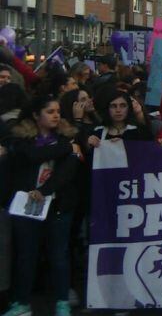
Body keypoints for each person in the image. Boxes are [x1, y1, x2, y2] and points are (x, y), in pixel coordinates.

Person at [6, 95, 83, 316]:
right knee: (26, 256)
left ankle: (62, 301)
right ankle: (21, 302)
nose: (56, 115)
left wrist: (45, 190)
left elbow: (67, 173)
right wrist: (66, 149)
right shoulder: (23, 139)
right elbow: (29, 157)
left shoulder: (67, 137)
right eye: (50, 111)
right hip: (26, 205)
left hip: (58, 205)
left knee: (59, 255)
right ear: (36, 115)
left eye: (58, 111)